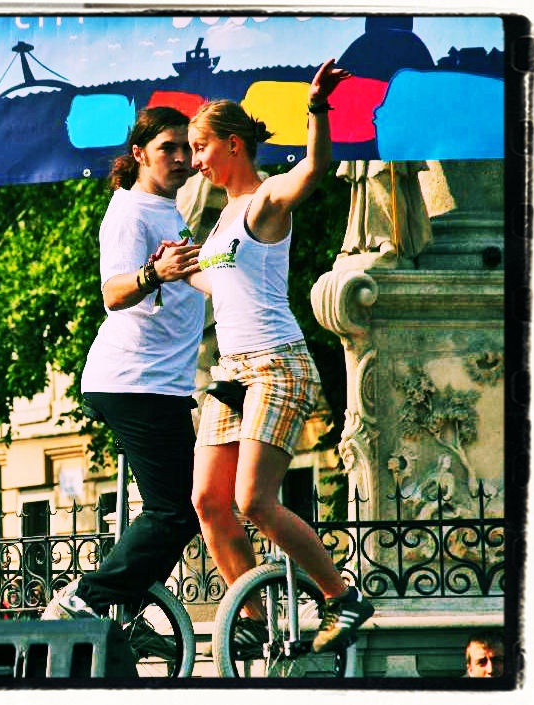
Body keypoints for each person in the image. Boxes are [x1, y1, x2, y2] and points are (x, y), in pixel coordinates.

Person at [180, 58, 374, 655]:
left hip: (275, 363)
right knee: (208, 503)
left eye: (200, 148)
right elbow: (220, 285)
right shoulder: (220, 222)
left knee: (253, 500)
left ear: (233, 145)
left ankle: (342, 596)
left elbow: (314, 169)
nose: (194, 161)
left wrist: (317, 108)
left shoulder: (263, 200)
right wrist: (179, 269)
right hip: (232, 371)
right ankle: (254, 619)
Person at [53, 107, 205, 624]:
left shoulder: (167, 207)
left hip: (162, 384)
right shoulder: (129, 212)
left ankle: (124, 622)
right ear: (139, 153)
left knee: (188, 509)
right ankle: (85, 598)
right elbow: (113, 293)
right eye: (168, 148)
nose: (181, 158)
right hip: (134, 381)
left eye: (187, 148)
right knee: (175, 510)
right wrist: (153, 273)